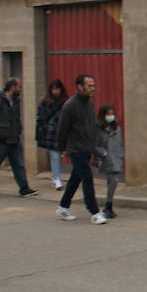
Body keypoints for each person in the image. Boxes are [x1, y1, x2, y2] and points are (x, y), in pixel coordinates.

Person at [56, 74, 107, 224]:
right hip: (75, 149)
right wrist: (62, 148)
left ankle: (63, 207)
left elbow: (91, 126)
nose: (93, 88)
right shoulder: (70, 106)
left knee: (75, 179)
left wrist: (95, 145)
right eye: (89, 86)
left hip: (87, 148)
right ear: (80, 87)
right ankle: (95, 212)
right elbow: (62, 129)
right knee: (87, 178)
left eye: (93, 85)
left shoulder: (89, 103)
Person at [0, 78, 37, 198]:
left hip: (14, 140)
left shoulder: (16, 101)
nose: (21, 89)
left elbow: (16, 117)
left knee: (19, 165)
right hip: (1, 141)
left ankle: (24, 189)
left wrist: (19, 129)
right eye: (19, 87)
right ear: (12, 87)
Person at [93, 104, 124, 220]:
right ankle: (108, 206)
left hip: (117, 157)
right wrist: (104, 154)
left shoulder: (117, 128)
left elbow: (120, 142)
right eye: (108, 114)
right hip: (106, 158)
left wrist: (121, 155)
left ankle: (109, 207)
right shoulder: (98, 128)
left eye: (112, 114)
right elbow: (94, 145)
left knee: (112, 182)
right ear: (103, 115)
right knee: (114, 181)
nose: (111, 116)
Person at [36, 79, 68, 189]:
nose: (55, 91)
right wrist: (43, 131)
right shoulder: (45, 102)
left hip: (64, 131)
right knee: (54, 156)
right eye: (53, 89)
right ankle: (56, 177)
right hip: (51, 133)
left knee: (70, 154)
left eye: (57, 88)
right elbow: (40, 117)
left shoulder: (66, 102)